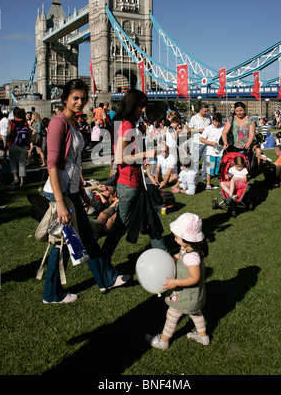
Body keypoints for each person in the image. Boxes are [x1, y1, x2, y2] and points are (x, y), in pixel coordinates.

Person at [42, 79, 130, 303]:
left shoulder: (74, 123)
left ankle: (107, 279)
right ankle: (52, 294)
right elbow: (52, 164)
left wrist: (81, 192)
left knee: (88, 238)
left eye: (83, 98)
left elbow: (74, 163)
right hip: (58, 193)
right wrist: (60, 202)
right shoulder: (58, 123)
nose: (80, 102)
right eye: (75, 98)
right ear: (65, 99)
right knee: (62, 244)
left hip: (71, 192)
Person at [101, 88, 168, 261]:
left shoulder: (123, 123)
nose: (143, 109)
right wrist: (147, 153)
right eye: (141, 106)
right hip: (129, 184)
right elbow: (120, 158)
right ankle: (102, 260)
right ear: (133, 105)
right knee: (121, 226)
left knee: (150, 218)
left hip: (134, 182)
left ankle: (163, 255)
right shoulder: (127, 125)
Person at [145, 213, 209, 350]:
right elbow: (178, 255)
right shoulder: (188, 248)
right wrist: (170, 260)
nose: (174, 239)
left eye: (177, 237)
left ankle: (163, 340)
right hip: (194, 296)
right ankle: (203, 337)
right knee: (196, 313)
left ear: (187, 238)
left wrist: (175, 282)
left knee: (171, 315)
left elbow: (194, 278)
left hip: (184, 295)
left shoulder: (192, 257)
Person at [188, 104, 212, 181]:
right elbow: (189, 129)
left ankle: (204, 176)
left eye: (207, 111)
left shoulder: (209, 117)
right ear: (200, 110)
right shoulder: (194, 118)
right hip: (197, 141)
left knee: (206, 160)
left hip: (207, 142)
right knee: (195, 160)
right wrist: (199, 130)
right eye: (205, 111)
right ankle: (194, 175)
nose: (206, 112)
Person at [7, 107, 30, 186]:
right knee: (22, 163)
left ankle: (15, 178)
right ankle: (22, 180)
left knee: (13, 161)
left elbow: (9, 134)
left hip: (14, 144)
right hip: (24, 145)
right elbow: (29, 134)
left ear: (14, 114)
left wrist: (7, 142)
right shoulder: (25, 122)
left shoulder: (11, 122)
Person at [200, 112, 224, 190]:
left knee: (219, 170)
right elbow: (202, 139)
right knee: (209, 169)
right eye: (216, 121)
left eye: (219, 122)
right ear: (213, 121)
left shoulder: (223, 128)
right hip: (210, 153)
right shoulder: (208, 128)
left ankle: (221, 185)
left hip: (220, 153)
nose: (217, 123)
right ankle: (208, 184)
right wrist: (211, 143)